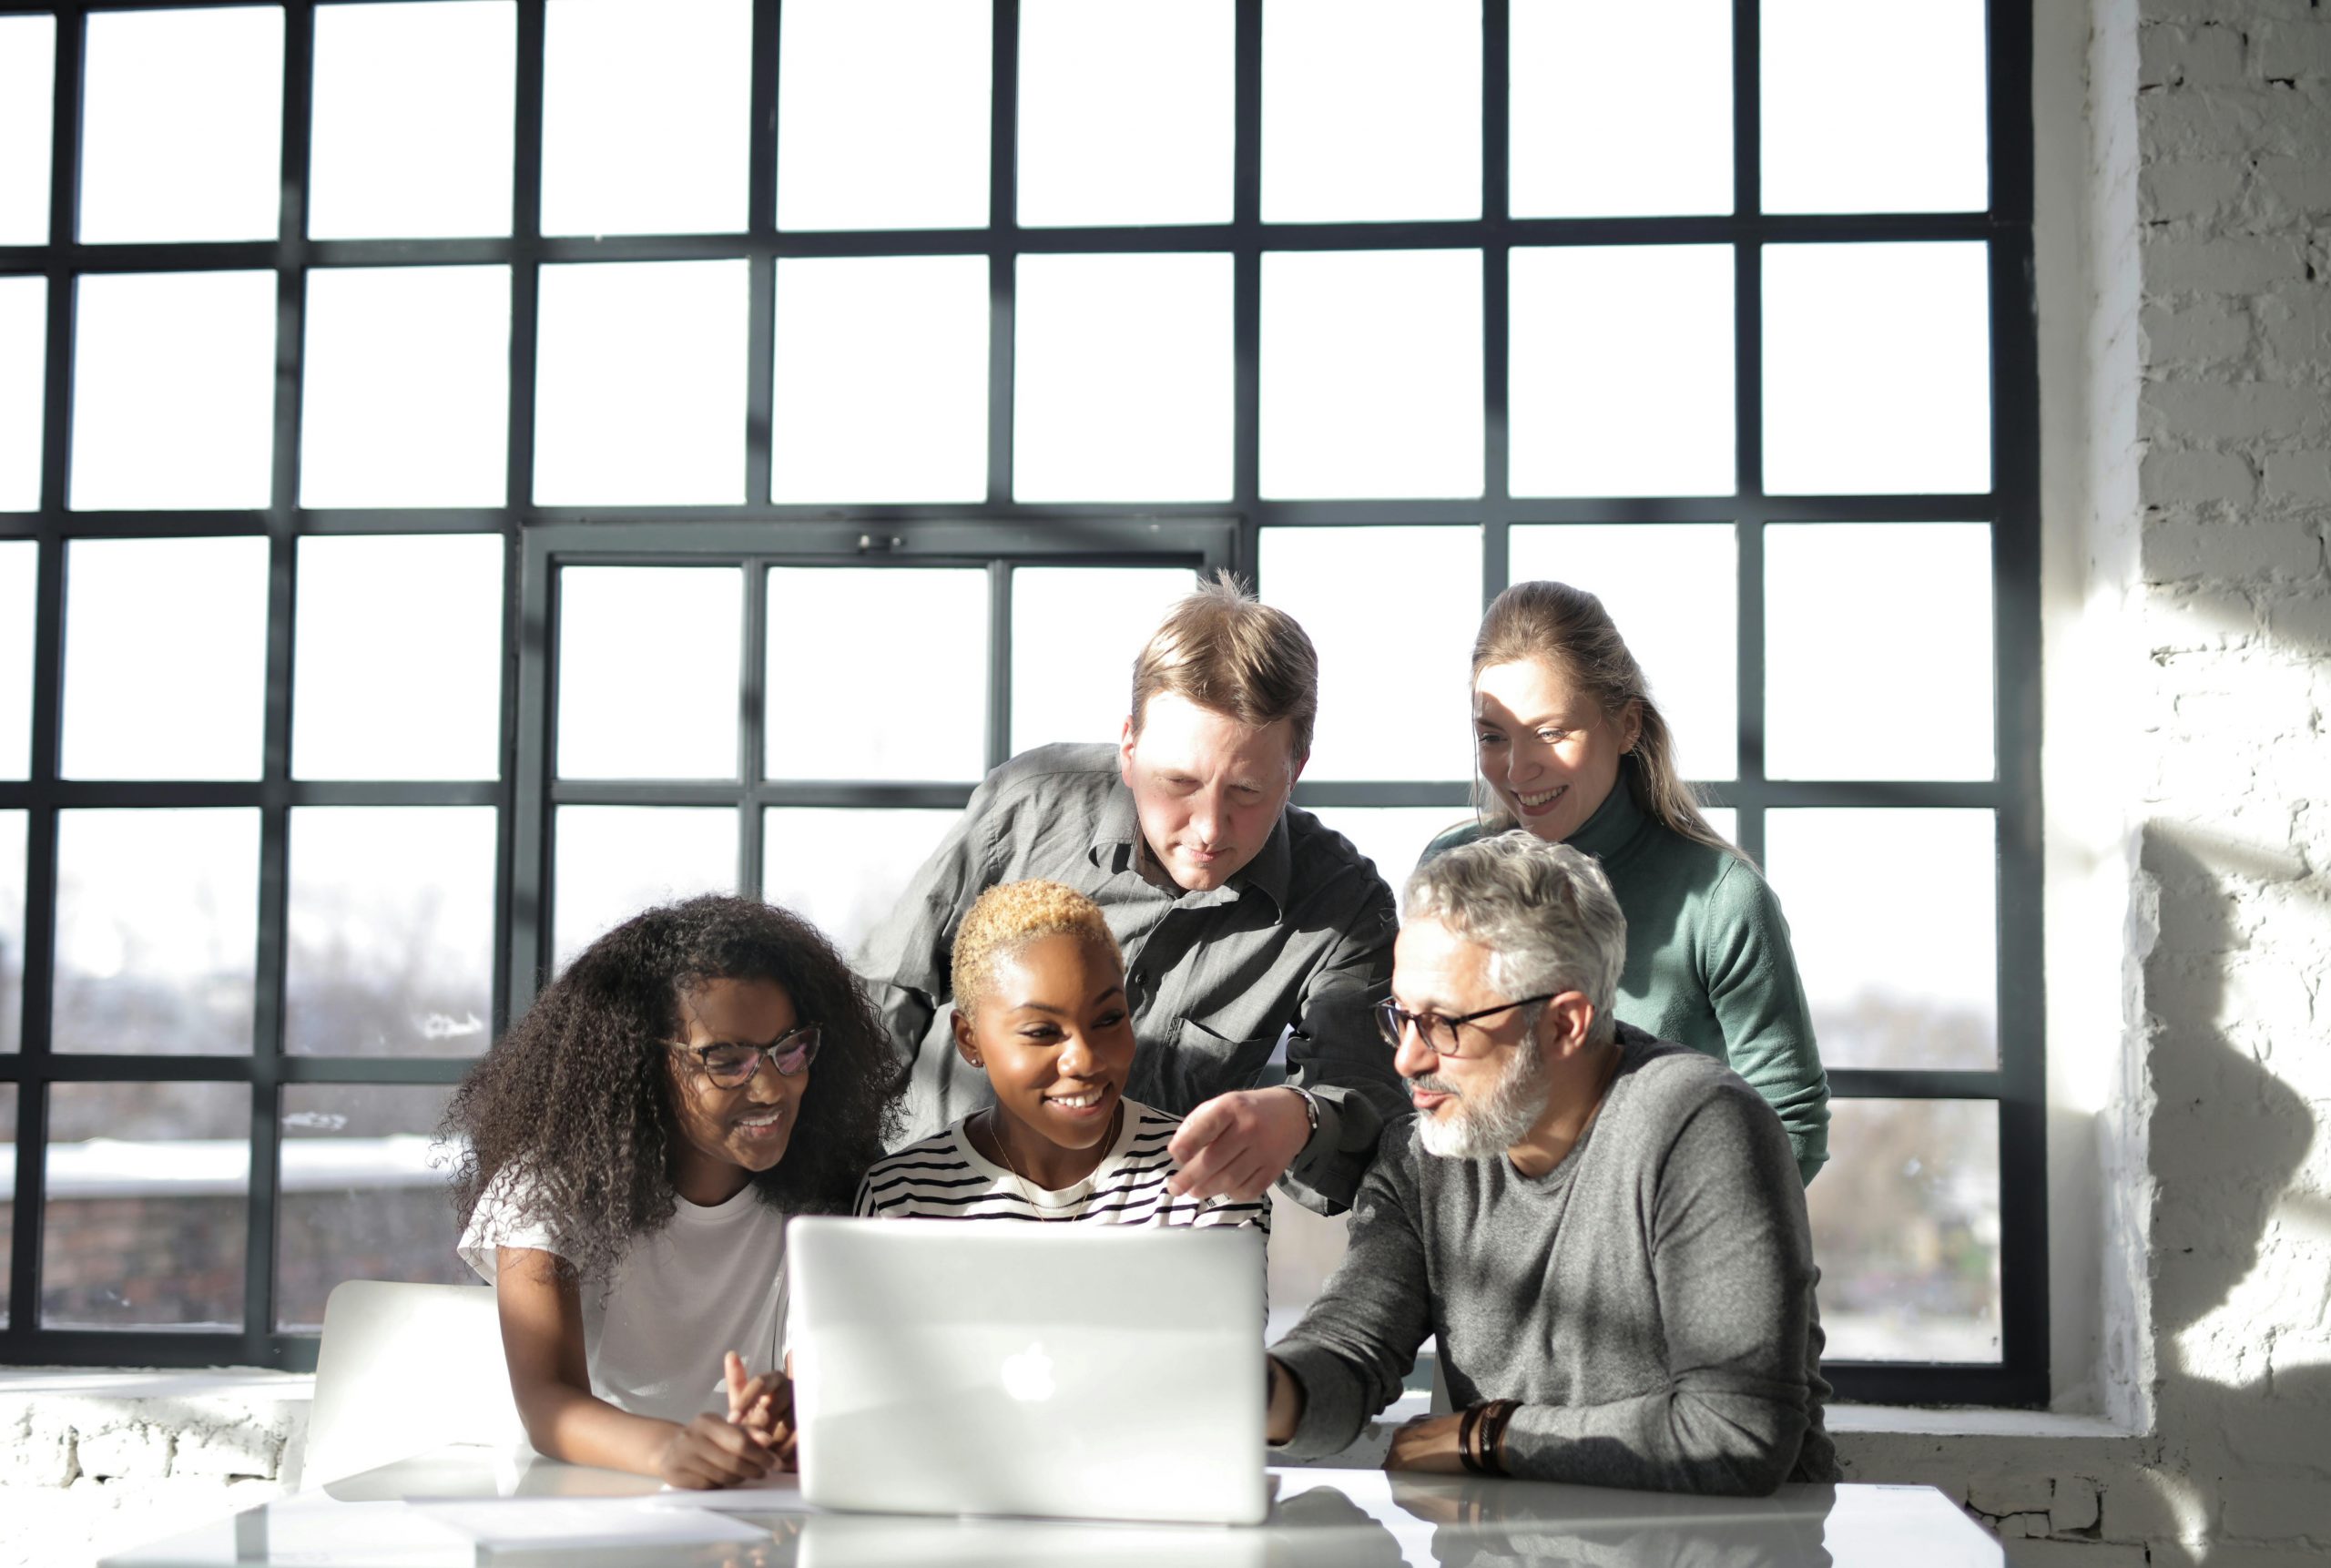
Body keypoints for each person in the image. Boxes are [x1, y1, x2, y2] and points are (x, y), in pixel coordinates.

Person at [1265, 832, 1836, 1494]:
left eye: (1444, 1024)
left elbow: (1737, 1433)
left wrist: (1488, 1436)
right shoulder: (1421, 1155)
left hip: (1740, 1539)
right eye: (1401, 1016)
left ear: (1565, 1024)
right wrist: (1262, 1390)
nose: (1406, 1059)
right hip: (1514, 1533)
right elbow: (1349, 1351)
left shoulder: (1700, 1124)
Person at [854, 573, 1407, 1213]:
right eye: (1180, 783)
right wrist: (843, 1184)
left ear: (1296, 771)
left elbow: (1366, 1117)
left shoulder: (1344, 906)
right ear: (1129, 747)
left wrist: (1302, 1118)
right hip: (935, 1211)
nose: (1209, 828)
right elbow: (882, 1003)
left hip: (1144, 1244)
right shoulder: (1028, 806)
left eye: (1247, 792)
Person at [446, 894, 900, 1489]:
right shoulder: (544, 1191)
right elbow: (547, 1403)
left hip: (757, 1507)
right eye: (726, 1060)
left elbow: (810, 1379)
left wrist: (791, 1410)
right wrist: (669, 1451)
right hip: (574, 1502)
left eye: (790, 1050)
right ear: (640, 1064)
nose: (772, 1088)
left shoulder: (829, 1191)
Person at [1421, 580, 1828, 1184]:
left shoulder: (1722, 901)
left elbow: (1790, 1125)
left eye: (1551, 732)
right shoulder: (1450, 869)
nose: (1518, 769)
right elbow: (1420, 1083)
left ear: (1628, 724)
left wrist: (1668, 1221)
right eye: (1493, 737)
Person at [857, 880, 1267, 1233]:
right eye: (1042, 1032)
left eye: (1108, 1019)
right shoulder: (900, 1198)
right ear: (970, 1040)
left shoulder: (1213, 1181)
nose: (1084, 1061)